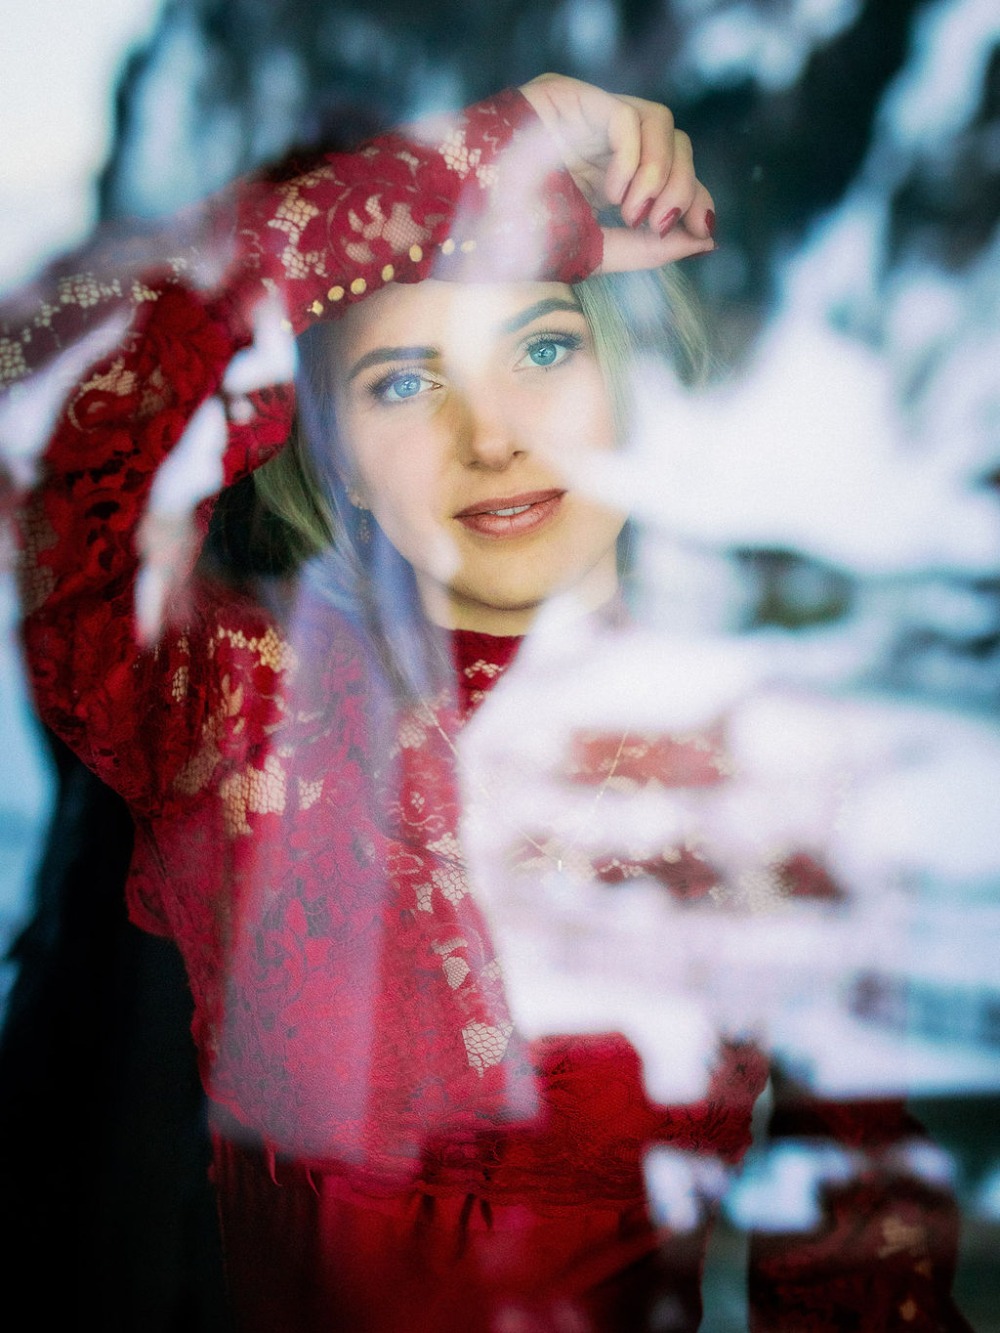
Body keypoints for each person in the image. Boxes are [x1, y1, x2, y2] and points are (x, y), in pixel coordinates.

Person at [8, 74, 969, 1332]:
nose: (494, 434)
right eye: (404, 382)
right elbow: (39, 397)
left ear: (623, 369)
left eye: (543, 345)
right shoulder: (237, 716)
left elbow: (862, 1239)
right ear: (325, 448)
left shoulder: (766, 756)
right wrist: (476, 160)